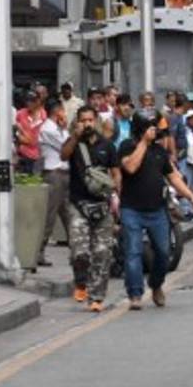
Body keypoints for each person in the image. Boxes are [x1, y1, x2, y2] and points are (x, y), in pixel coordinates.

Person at [118, 110, 193, 309]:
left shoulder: (159, 152)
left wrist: (192, 197)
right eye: (151, 127)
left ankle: (156, 284)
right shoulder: (127, 146)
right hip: (132, 209)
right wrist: (143, 143)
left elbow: (173, 177)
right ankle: (135, 294)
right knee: (133, 252)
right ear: (141, 128)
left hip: (157, 210)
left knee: (164, 253)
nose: (155, 130)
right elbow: (130, 167)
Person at [61, 105, 120, 311]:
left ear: (96, 121)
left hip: (102, 205)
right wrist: (75, 137)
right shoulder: (74, 144)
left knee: (103, 253)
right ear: (78, 122)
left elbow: (116, 173)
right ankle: (80, 282)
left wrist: (117, 197)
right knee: (80, 252)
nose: (87, 124)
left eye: (89, 120)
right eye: (83, 120)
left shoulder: (107, 145)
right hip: (78, 204)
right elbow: (63, 155)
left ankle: (96, 297)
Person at [37, 99, 73, 267]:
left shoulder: (58, 128)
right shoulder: (48, 129)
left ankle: (77, 251)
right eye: (62, 110)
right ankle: (38, 251)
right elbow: (66, 146)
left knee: (69, 215)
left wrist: (65, 128)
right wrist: (66, 130)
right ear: (57, 110)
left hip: (65, 174)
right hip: (54, 174)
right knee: (49, 216)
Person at [15, 92, 47, 174]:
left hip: (39, 155)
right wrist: (25, 138)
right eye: (27, 101)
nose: (29, 103)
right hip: (23, 155)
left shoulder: (44, 116)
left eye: (32, 101)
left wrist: (24, 134)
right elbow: (19, 137)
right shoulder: (20, 114)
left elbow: (35, 140)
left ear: (38, 102)